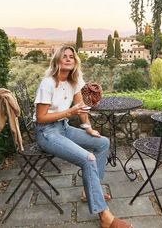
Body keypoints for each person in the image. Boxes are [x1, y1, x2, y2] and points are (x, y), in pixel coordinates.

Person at [34, 45, 133, 228]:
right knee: (88, 159)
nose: (69, 58)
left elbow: (81, 107)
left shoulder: (75, 79)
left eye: (72, 56)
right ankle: (105, 217)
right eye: (64, 56)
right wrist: (68, 112)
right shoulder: (48, 83)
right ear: (57, 60)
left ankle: (90, 193)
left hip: (63, 128)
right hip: (46, 132)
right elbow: (41, 118)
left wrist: (88, 127)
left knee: (103, 143)